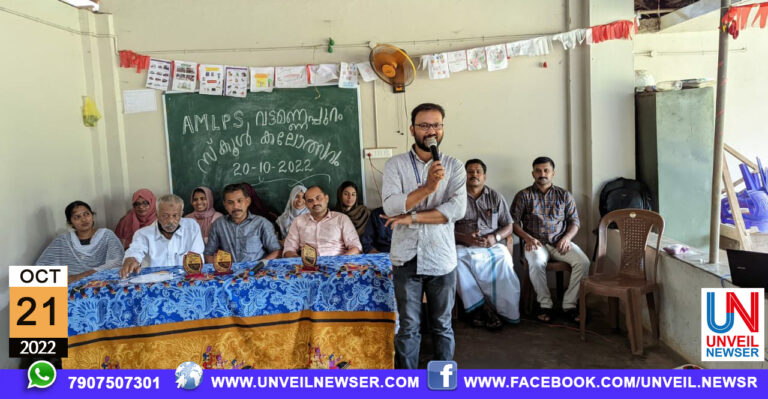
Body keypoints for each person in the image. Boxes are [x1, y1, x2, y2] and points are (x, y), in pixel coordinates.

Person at [381, 103, 466, 369]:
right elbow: (391, 206)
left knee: (442, 325)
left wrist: (412, 217)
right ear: (412, 129)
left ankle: (441, 385)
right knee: (408, 327)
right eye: (424, 125)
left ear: (442, 128)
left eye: (436, 125)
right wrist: (429, 187)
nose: (431, 131)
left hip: (441, 259)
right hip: (406, 258)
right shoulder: (395, 165)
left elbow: (456, 210)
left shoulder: (454, 166)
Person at [511, 156, 589, 323]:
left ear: (553, 173)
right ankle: (545, 305)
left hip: (560, 243)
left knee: (583, 262)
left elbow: (574, 221)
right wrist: (528, 238)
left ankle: (569, 305)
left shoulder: (564, 195)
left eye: (546, 170)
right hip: (536, 243)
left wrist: (567, 238)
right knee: (537, 262)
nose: (542, 174)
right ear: (533, 174)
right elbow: (513, 223)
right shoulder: (524, 195)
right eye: (538, 171)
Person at [454, 159, 520, 330]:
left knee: (504, 260)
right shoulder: (455, 197)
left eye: (478, 171)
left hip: (491, 245)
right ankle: (480, 309)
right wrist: (464, 238)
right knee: (455, 263)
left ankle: (505, 311)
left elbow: (509, 225)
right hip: (463, 246)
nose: (474, 175)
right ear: (464, 175)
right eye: (470, 171)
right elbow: (445, 228)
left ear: (484, 176)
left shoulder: (495, 196)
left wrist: (495, 237)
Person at [36, 201, 124, 284]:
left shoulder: (107, 235)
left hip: (102, 282)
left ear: (92, 216)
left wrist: (82, 276)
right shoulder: (63, 240)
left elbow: (117, 262)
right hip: (71, 285)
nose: (84, 219)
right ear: (70, 223)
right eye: (77, 217)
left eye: (86, 214)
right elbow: (42, 267)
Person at [120, 194, 204, 277]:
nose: (170, 221)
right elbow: (135, 251)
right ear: (157, 215)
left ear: (181, 214)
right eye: (165, 216)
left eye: (175, 215)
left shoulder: (192, 227)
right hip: (155, 282)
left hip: (184, 279)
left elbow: (196, 257)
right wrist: (131, 259)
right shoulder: (143, 234)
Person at [204, 183, 281, 263]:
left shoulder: (262, 223)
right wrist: (218, 269)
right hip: (228, 272)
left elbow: (276, 251)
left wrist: (260, 265)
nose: (236, 206)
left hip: (256, 271)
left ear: (248, 201)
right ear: (225, 204)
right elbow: (209, 253)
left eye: (239, 201)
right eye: (230, 202)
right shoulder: (218, 224)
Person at [282, 185, 362, 257]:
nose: (315, 203)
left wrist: (340, 261)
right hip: (308, 267)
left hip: (338, 265)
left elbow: (355, 247)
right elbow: (289, 248)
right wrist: (299, 261)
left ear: (326, 198)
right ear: (306, 204)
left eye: (318, 198)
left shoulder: (341, 219)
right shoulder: (298, 221)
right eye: (310, 201)